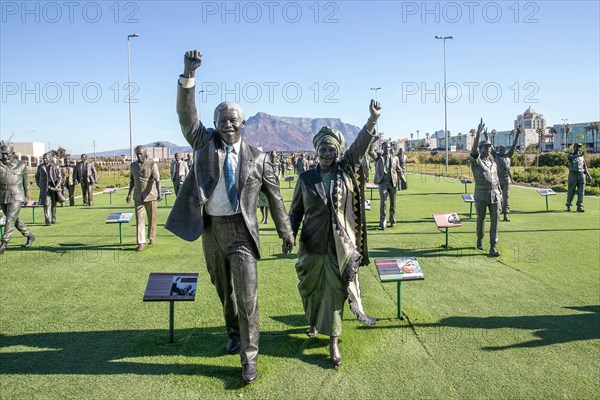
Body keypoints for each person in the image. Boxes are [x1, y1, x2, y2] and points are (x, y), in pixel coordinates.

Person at [165, 50, 295, 384]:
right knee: (226, 293)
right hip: (211, 231)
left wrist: (286, 232)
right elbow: (186, 115)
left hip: (242, 233)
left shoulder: (258, 158)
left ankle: (248, 358)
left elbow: (275, 198)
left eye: (232, 119)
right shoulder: (203, 142)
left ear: (243, 123)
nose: (226, 123)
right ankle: (234, 333)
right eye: (221, 118)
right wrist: (188, 75)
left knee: (248, 296)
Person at [289, 100, 380, 368]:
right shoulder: (305, 178)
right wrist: (289, 235)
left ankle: (334, 342)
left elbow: (361, 145)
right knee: (310, 287)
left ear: (337, 150)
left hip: (340, 244)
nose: (327, 152)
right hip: (311, 243)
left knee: (335, 289)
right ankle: (314, 321)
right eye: (322, 149)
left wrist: (372, 120)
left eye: (331, 148)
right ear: (315, 151)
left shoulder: (346, 168)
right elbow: (295, 212)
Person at [469, 119, 501, 257]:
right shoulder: (476, 162)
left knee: (495, 220)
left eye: (489, 147)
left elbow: (497, 180)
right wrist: (478, 134)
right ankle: (479, 239)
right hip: (481, 194)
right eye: (485, 147)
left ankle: (493, 246)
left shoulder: (493, 163)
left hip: (495, 195)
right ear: (480, 149)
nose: (487, 149)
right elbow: (473, 152)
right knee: (480, 219)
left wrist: (501, 195)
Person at [0, 143, 35, 254]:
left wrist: (27, 196)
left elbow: (25, 182)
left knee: (10, 218)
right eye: (2, 154)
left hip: (17, 195)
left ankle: (4, 243)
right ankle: (30, 236)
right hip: (2, 195)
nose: (5, 157)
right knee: (13, 219)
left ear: (12, 154)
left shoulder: (21, 165)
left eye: (7, 154)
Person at [126, 145, 162, 251]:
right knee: (139, 220)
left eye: (140, 153)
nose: (139, 156)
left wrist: (160, 193)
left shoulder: (152, 164)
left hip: (150, 196)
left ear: (145, 153)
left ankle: (151, 237)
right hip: (138, 196)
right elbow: (132, 181)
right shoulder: (133, 166)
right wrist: (129, 194)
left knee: (152, 218)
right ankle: (141, 242)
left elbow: (158, 180)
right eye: (137, 154)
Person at [370, 140, 403, 230]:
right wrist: (373, 141)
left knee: (393, 203)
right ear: (382, 148)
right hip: (383, 182)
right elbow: (370, 152)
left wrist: (403, 179)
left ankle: (392, 220)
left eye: (388, 147)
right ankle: (383, 222)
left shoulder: (395, 158)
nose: (386, 149)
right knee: (383, 203)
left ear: (390, 148)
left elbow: (399, 169)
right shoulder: (378, 157)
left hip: (393, 183)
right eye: (385, 147)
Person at [490, 126, 520, 221]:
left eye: (503, 150)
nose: (501, 151)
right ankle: (497, 211)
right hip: (497, 179)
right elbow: (490, 146)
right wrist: (486, 135)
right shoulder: (496, 155)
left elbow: (514, 145)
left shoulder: (508, 156)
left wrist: (518, 134)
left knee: (506, 196)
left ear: (505, 150)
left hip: (506, 179)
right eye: (500, 150)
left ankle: (506, 214)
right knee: (497, 196)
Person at [35, 152, 63, 225]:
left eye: (46, 158)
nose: (45, 159)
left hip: (53, 186)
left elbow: (59, 178)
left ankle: (53, 218)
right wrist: (39, 184)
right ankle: (48, 220)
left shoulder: (55, 166)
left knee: (54, 204)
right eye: (43, 158)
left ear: (50, 158)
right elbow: (37, 176)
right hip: (45, 187)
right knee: (46, 203)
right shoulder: (40, 167)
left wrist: (57, 186)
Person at [566, 143, 592, 212]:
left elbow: (585, 167)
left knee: (581, 191)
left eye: (579, 147)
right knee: (571, 191)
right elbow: (570, 158)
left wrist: (588, 175)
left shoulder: (581, 157)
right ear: (574, 148)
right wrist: (579, 155)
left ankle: (580, 206)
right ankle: (568, 204)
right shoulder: (570, 155)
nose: (578, 149)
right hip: (573, 175)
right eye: (577, 147)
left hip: (581, 175)